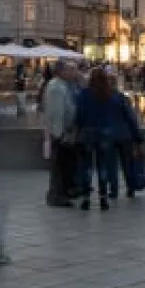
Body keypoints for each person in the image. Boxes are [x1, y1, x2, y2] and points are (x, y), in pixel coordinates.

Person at [73, 68, 121, 210]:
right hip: (104, 132)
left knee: (87, 165)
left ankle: (86, 198)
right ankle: (103, 198)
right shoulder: (109, 94)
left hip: (88, 132)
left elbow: (79, 113)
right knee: (103, 165)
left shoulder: (85, 94)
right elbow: (114, 113)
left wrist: (80, 126)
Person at [42, 61, 78, 206]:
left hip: (64, 132)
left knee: (63, 165)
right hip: (61, 134)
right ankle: (56, 194)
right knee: (59, 165)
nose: (73, 73)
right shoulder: (56, 87)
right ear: (61, 72)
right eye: (70, 70)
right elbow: (56, 112)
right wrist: (59, 133)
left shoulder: (61, 86)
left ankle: (61, 192)